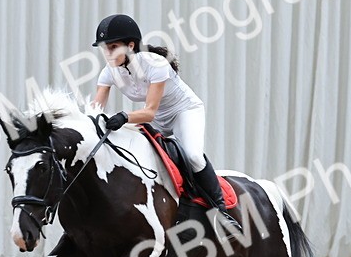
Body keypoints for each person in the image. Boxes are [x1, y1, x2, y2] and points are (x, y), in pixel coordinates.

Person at [91, 13, 240, 233]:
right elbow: (96, 109)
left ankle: (221, 213)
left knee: (192, 155)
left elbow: (149, 112)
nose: (108, 54)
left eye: (113, 47)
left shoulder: (156, 64)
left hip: (183, 112)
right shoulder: (109, 73)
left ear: (130, 45)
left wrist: (123, 117)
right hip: (155, 118)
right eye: (105, 48)